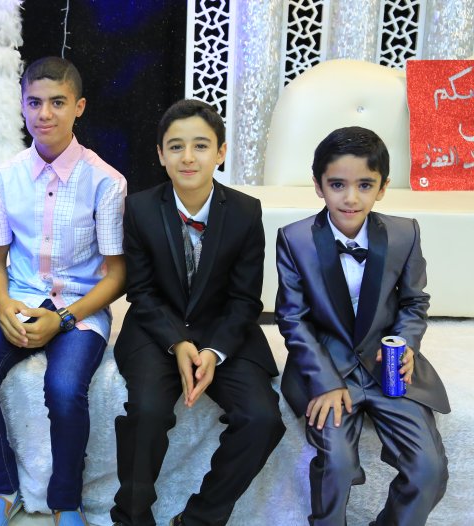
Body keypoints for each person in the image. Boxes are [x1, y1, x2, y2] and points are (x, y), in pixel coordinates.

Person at [0, 56, 127, 526]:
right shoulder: (3, 177)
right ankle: (1, 489)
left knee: (65, 388)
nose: (44, 113)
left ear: (79, 107)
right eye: (34, 102)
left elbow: (116, 276)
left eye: (57, 102)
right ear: (22, 105)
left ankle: (65, 501)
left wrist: (64, 319)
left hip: (80, 305)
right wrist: (4, 306)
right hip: (20, 295)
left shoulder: (107, 181)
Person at [110, 99, 284, 526]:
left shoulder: (246, 211)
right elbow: (141, 291)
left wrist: (215, 351)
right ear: (160, 154)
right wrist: (178, 342)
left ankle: (199, 520)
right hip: (157, 328)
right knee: (147, 412)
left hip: (225, 328)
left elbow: (245, 299)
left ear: (220, 153)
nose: (188, 157)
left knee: (262, 418)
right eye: (176, 146)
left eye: (201, 146)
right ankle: (131, 517)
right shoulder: (139, 208)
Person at [275, 126, 449, 526]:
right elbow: (293, 318)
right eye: (337, 184)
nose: (350, 198)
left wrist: (406, 344)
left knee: (428, 469)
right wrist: (324, 382)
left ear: (383, 187)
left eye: (365, 185)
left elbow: (414, 301)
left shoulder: (405, 233)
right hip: (328, 367)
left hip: (387, 366)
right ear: (318, 185)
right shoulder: (295, 239)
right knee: (335, 465)